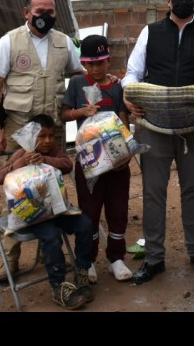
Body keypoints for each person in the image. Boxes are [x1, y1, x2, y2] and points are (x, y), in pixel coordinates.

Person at [122, 0, 194, 284]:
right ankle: (154, 258)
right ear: (167, 1)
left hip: (193, 128)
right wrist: (129, 97)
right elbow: (132, 73)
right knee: (153, 192)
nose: (183, 2)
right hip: (153, 126)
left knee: (193, 190)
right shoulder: (150, 32)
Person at [0, 0, 85, 280]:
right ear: (27, 13)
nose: (46, 16)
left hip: (51, 129)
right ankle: (10, 258)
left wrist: (102, 80)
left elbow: (79, 75)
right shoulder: (9, 41)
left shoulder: (63, 42)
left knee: (52, 185)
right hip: (20, 128)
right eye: (40, 11)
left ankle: (49, 248)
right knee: (18, 190)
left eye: (50, 12)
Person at [0, 113, 95, 310]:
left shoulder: (54, 152)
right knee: (51, 237)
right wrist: (21, 162)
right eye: (41, 136)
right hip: (35, 216)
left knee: (85, 225)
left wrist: (46, 160)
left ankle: (82, 271)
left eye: (51, 136)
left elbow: (67, 164)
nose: (47, 141)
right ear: (31, 136)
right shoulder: (21, 153)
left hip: (58, 210)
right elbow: (0, 178)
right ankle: (58, 286)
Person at [60, 34, 134, 283]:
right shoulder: (76, 83)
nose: (96, 69)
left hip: (116, 160)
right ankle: (87, 259)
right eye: (91, 64)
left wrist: (126, 151)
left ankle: (116, 258)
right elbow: (63, 114)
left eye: (101, 63)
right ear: (83, 63)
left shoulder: (116, 85)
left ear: (108, 61)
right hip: (88, 160)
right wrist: (82, 111)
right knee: (89, 211)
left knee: (118, 209)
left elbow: (123, 118)